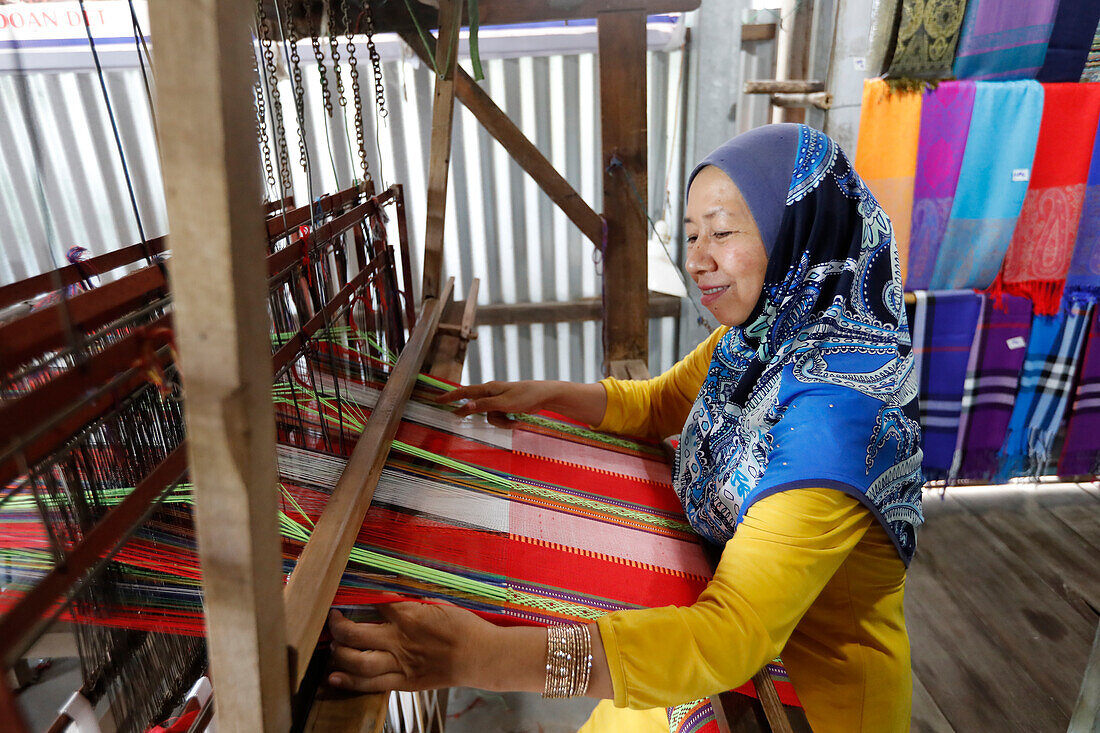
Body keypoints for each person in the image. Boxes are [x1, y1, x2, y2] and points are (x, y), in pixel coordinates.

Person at [324, 123, 924, 733]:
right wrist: (550, 395)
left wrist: (485, 656)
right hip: (713, 640)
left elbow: (729, 638)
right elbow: (663, 402)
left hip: (802, 699)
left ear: (798, 228)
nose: (696, 261)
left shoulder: (839, 418)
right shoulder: (758, 340)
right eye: (691, 236)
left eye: (721, 232)